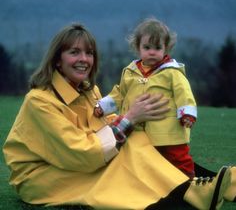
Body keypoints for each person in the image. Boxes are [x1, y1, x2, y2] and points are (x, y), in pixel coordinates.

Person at [2, 22, 233, 210]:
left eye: (89, 53)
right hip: (41, 176)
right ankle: (189, 192)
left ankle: (218, 183)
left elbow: (104, 128)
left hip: (78, 159)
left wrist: (139, 121)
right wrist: (130, 117)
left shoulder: (88, 90)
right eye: (74, 52)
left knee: (138, 139)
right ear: (57, 60)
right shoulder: (39, 101)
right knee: (120, 163)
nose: (84, 59)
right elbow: (81, 152)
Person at [94, 17, 197, 179]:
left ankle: (189, 182)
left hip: (169, 130)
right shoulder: (130, 71)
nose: (152, 52)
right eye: (147, 47)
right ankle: (158, 186)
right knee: (150, 162)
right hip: (139, 132)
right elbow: (120, 93)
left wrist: (187, 113)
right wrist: (103, 106)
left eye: (157, 47)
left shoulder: (172, 72)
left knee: (178, 158)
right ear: (138, 48)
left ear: (166, 48)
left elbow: (184, 93)